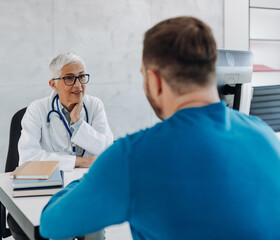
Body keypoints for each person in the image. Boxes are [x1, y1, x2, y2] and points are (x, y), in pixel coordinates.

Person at [39, 16, 280, 239]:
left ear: (154, 80)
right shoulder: (264, 135)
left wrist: (94, 175)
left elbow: (52, 224)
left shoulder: (132, 157)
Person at [9, 52, 113, 240]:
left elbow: (107, 150)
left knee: (94, 230)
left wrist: (78, 124)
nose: (78, 84)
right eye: (69, 78)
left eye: (81, 76)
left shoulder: (95, 105)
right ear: (53, 84)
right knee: (58, 228)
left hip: (82, 189)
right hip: (46, 192)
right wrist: (78, 161)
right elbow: (28, 158)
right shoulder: (37, 109)